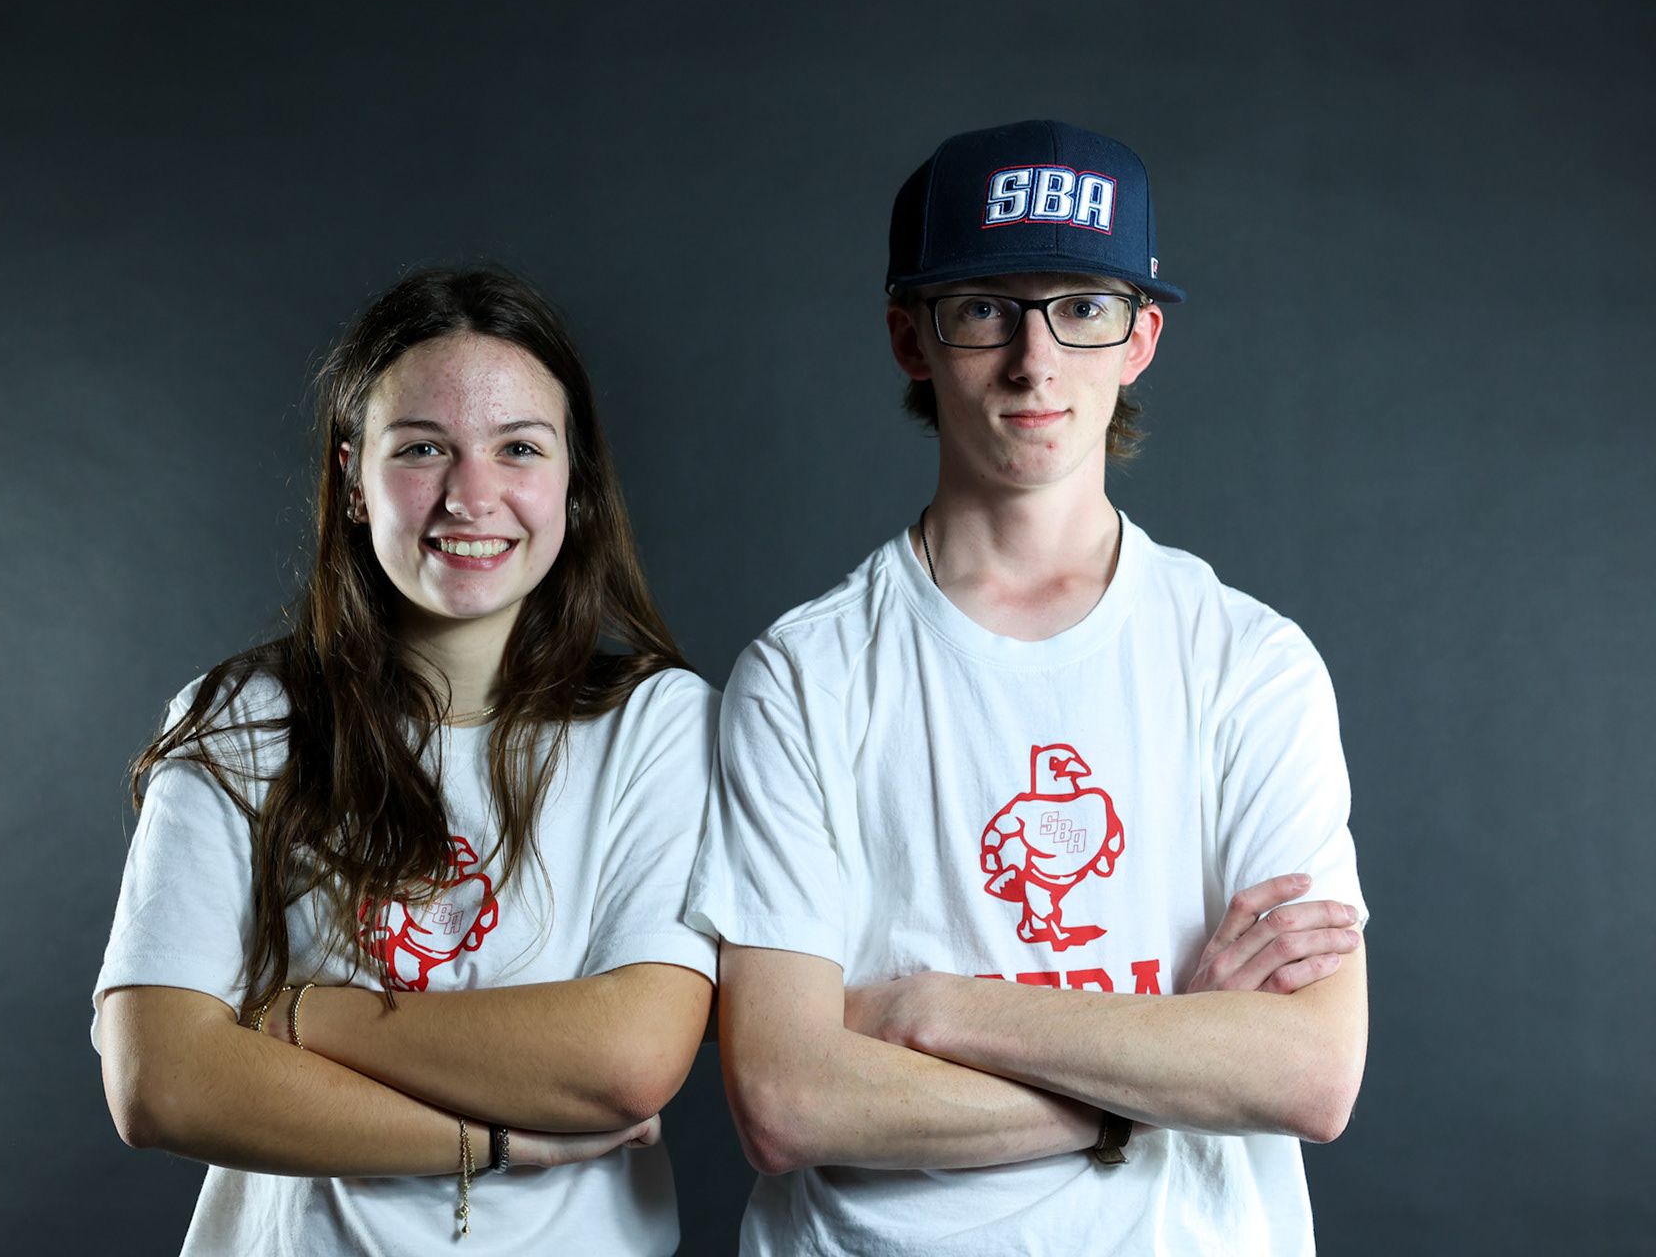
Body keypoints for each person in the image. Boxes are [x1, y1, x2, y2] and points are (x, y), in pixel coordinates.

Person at [686, 120, 1369, 1254]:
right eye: (986, 308)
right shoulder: (801, 677)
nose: (1035, 359)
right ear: (912, 336)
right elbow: (789, 1095)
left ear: (1140, 337)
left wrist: (929, 1011)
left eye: (1081, 308)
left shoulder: (1250, 662)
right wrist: (1167, 1057)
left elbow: (1309, 1070)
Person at [93, 270, 716, 1255]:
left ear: (575, 482)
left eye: (519, 448)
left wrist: (298, 1014)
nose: (473, 495)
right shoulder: (241, 718)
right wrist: (496, 1140)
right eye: (423, 448)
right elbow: (158, 1078)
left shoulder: (658, 722)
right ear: (351, 479)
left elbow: (629, 1056)